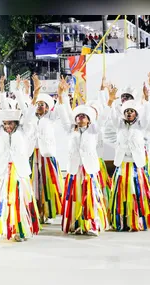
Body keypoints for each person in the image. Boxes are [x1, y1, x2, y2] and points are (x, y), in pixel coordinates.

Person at [0, 77, 40, 243]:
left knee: (19, 200)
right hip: (4, 171)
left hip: (20, 172)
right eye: (5, 123)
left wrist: (33, 96)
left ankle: (19, 230)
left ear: (16, 123)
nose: (7, 126)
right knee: (2, 199)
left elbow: (28, 114)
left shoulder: (24, 130)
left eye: (10, 123)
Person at [57, 90, 108, 236]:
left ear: (89, 119)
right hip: (74, 169)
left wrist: (109, 101)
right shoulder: (70, 129)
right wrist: (61, 96)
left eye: (84, 116)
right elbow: (63, 115)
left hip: (89, 170)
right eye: (78, 116)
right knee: (75, 197)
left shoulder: (93, 130)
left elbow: (103, 118)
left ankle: (93, 224)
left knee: (91, 197)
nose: (80, 118)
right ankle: (77, 224)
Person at [107, 84, 150, 231]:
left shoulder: (141, 125)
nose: (129, 113)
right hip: (122, 165)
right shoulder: (119, 125)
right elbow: (112, 115)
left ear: (136, 113)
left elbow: (147, 115)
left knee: (135, 192)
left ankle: (136, 221)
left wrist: (147, 98)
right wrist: (111, 100)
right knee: (120, 193)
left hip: (136, 166)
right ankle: (121, 221)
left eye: (132, 111)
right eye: (126, 111)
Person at [24, 74, 63, 224]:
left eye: (43, 104)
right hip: (32, 155)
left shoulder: (50, 118)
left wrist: (60, 95)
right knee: (34, 183)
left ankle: (47, 212)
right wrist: (33, 93)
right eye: (38, 104)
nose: (40, 106)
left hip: (46, 156)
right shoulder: (30, 118)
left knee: (47, 184)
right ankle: (35, 212)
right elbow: (25, 107)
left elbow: (60, 108)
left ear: (47, 107)